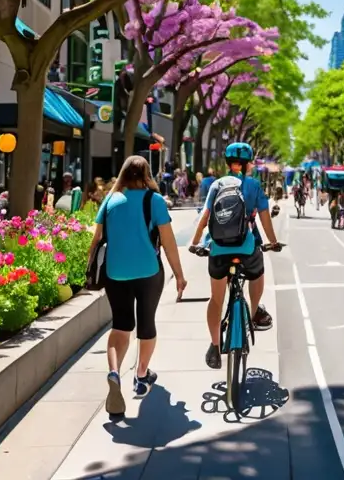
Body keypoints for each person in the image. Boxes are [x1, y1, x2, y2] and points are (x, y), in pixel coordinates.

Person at [87, 156, 185, 416]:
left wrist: (90, 272)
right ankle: (141, 375)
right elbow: (168, 242)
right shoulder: (154, 201)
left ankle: (114, 372)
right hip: (148, 272)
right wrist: (179, 275)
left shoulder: (110, 200)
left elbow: (96, 240)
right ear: (147, 175)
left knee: (120, 327)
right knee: (146, 324)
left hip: (114, 272)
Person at [189, 142, 281, 370]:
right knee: (257, 272)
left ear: (228, 163)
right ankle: (252, 313)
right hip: (246, 248)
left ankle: (213, 345)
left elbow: (205, 217)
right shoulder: (253, 185)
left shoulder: (217, 185)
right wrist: (273, 242)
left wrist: (194, 243)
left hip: (219, 249)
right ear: (248, 164)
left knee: (216, 299)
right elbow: (265, 218)